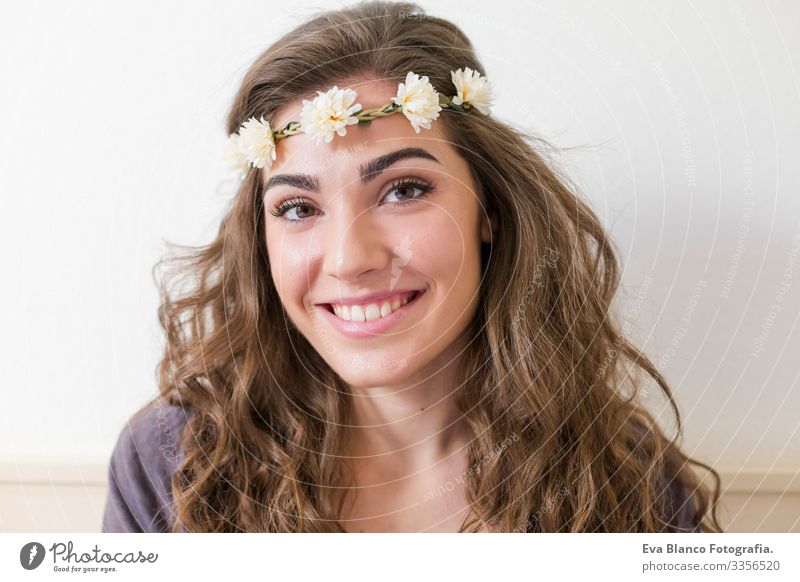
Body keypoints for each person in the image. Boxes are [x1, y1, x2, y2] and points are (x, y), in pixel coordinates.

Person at [102, 0, 723, 533]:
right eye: (297, 206)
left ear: (490, 209)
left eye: (403, 190)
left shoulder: (627, 482)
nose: (349, 260)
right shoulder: (172, 468)